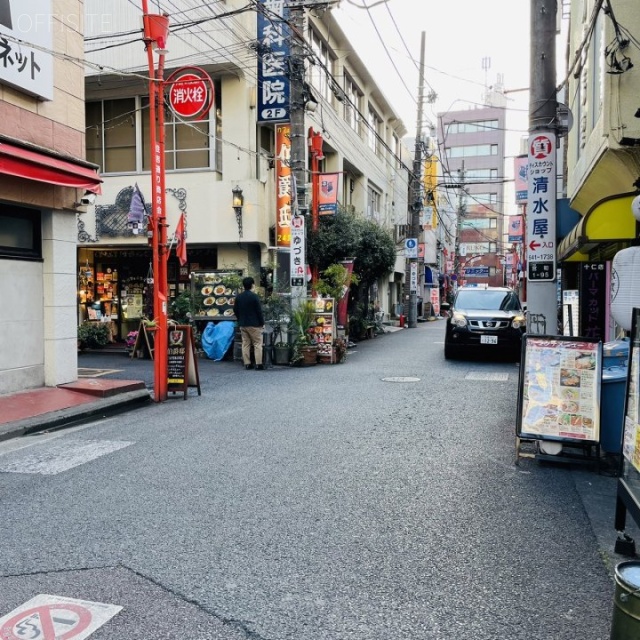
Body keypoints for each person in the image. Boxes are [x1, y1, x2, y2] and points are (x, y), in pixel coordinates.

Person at [233, 276, 265, 370]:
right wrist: (262, 323)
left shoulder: (239, 297)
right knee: (257, 344)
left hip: (243, 324)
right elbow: (259, 311)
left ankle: (247, 363)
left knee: (245, 344)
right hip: (254, 324)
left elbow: (235, 310)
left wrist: (240, 319)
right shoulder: (254, 296)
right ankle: (258, 364)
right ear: (252, 285)